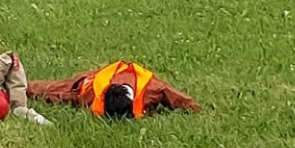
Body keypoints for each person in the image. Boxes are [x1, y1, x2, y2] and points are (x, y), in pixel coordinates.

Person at [28, 60, 201, 118]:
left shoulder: (152, 88)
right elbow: (62, 93)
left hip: (119, 76)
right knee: (53, 91)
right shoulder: (92, 91)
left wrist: (195, 109)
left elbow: (178, 98)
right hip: (89, 79)